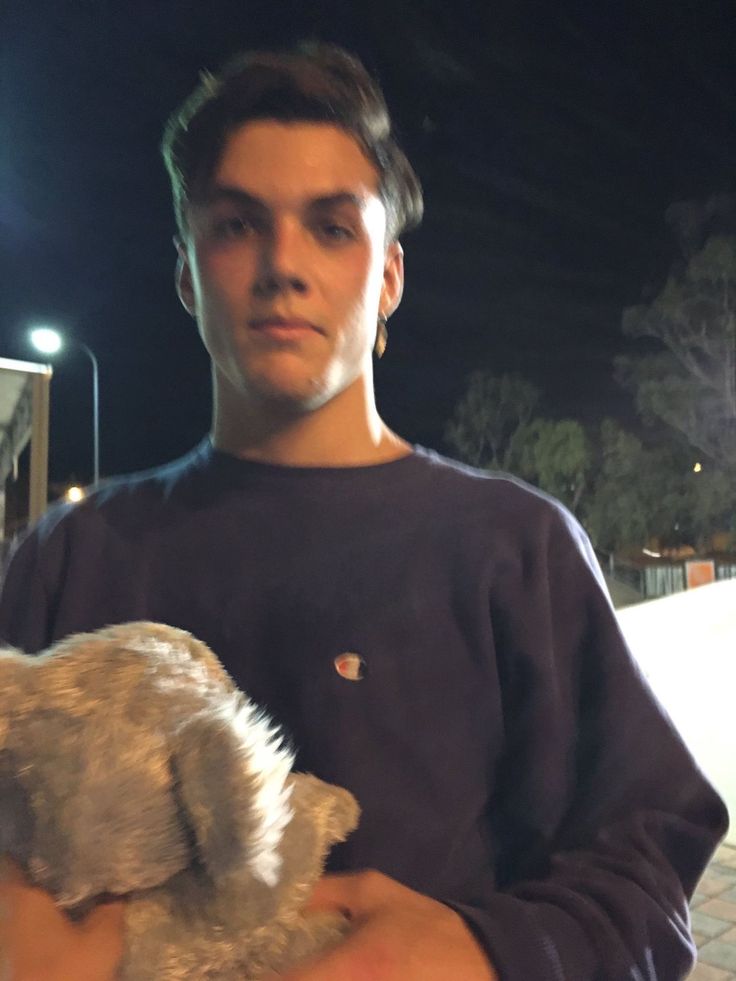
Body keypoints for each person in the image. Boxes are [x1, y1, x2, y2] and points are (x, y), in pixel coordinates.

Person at [0, 43, 728, 980]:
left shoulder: (518, 548)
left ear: (388, 277)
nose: (281, 266)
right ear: (187, 275)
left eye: (332, 228)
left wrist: (485, 952)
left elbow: (649, 869)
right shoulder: (69, 553)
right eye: (235, 225)